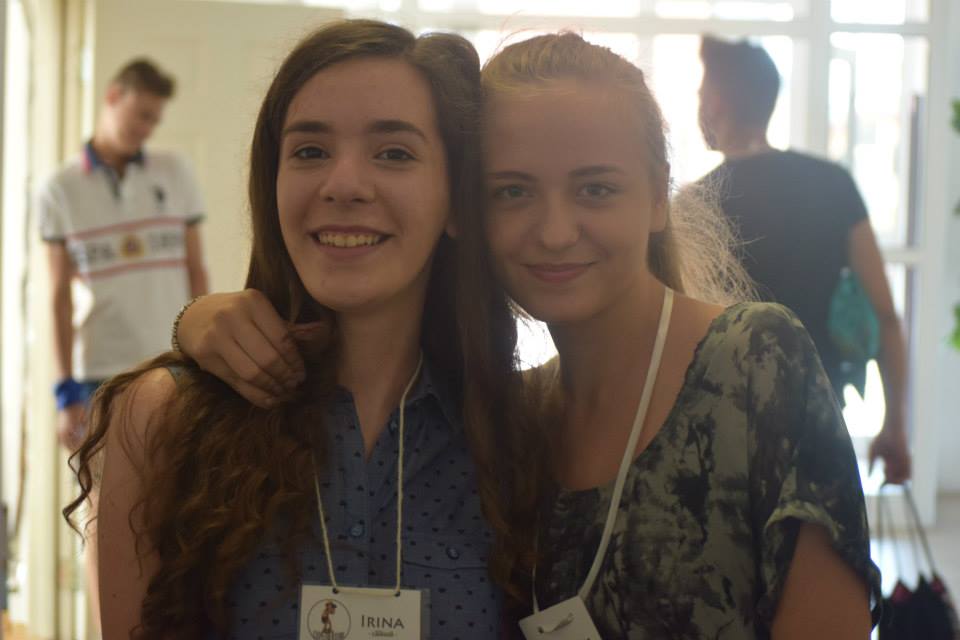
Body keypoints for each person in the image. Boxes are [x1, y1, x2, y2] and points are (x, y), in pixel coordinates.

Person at [174, 32, 881, 638]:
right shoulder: (509, 415)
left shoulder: (753, 363)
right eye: (512, 191)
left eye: (595, 189)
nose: (554, 231)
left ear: (657, 195)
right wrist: (196, 322)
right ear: (467, 212)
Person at [63, 21, 518, 638]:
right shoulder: (160, 418)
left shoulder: (513, 435)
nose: (343, 185)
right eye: (310, 152)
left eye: (394, 153)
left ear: (457, 201)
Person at [697, 35, 911, 485]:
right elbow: (887, 317)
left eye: (701, 92)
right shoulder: (832, 183)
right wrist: (894, 427)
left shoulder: (697, 205)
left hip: (726, 430)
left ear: (716, 100)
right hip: (819, 420)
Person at [38, 58, 208, 452]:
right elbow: (58, 295)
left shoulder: (176, 172)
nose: (147, 128)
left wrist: (202, 355)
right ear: (114, 96)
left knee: (174, 480)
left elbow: (196, 270)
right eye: (142, 114)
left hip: (171, 363)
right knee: (101, 485)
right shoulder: (59, 189)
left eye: (155, 120)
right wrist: (65, 393)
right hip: (99, 372)